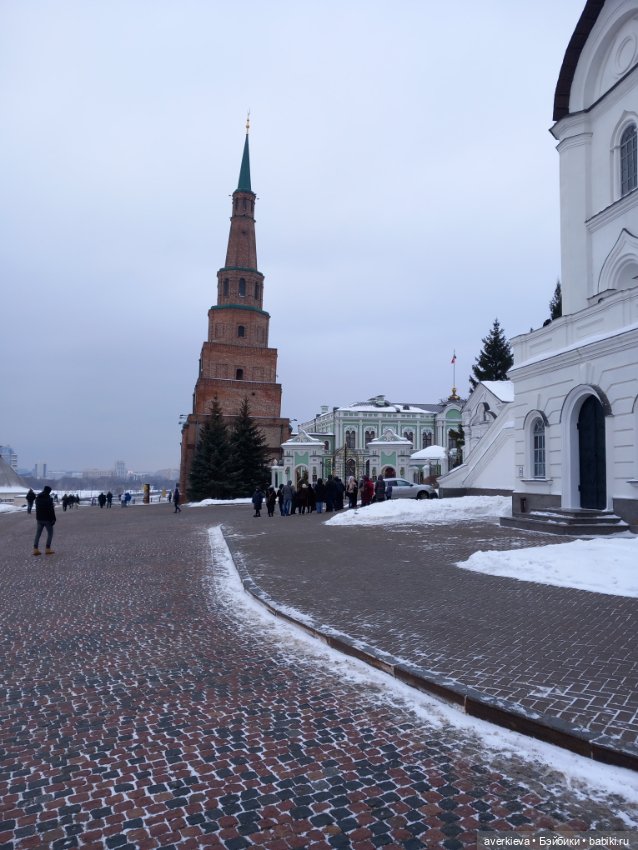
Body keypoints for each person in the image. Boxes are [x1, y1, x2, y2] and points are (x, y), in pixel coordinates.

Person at [33, 485, 56, 556]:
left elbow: (38, 508)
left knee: (38, 534)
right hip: (47, 519)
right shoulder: (49, 499)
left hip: (39, 518)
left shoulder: (38, 497)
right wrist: (53, 519)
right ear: (49, 491)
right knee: (50, 533)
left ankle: (35, 549)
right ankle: (47, 549)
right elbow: (51, 511)